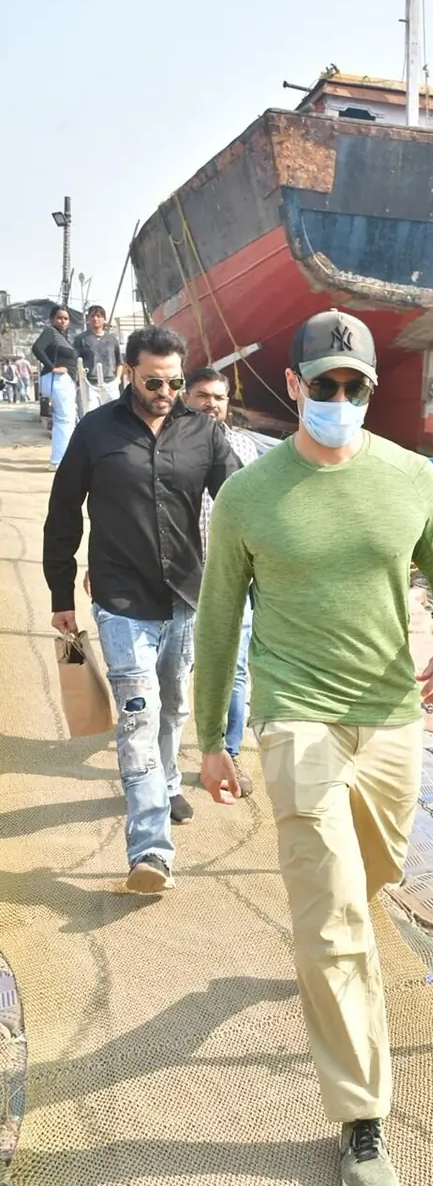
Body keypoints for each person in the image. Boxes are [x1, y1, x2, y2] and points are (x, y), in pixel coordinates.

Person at [193, 309, 433, 1185]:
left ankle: (338, 953)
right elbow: (216, 626)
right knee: (331, 912)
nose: (343, 399)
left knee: (376, 872)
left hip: (393, 716)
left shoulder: (413, 479)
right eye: (326, 385)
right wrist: (212, 736)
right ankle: (363, 1118)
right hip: (296, 715)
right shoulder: (249, 495)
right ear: (294, 387)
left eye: (357, 387)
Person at [43, 326, 242, 894]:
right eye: (154, 381)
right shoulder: (94, 432)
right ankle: (150, 851)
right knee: (137, 716)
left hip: (185, 598)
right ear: (129, 372)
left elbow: (239, 502)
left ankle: (167, 781)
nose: (166, 392)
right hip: (120, 600)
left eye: (176, 382)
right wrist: (61, 595)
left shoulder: (203, 432)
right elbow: (62, 517)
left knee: (173, 708)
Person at [183, 366, 260, 795]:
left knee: (236, 667)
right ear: (185, 397)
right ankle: (161, 757)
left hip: (233, 579)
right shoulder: (170, 446)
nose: (210, 403)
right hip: (181, 580)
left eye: (218, 397)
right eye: (201, 395)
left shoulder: (245, 447)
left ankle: (229, 753)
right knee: (178, 669)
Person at [31, 304, 78, 466]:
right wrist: (52, 367)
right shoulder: (51, 332)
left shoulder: (62, 337)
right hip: (57, 379)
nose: (63, 321)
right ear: (52, 319)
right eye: (59, 318)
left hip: (64, 381)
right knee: (64, 420)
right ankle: (59, 460)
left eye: (66, 318)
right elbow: (37, 348)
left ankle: (60, 458)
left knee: (65, 420)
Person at [74, 305, 123, 410]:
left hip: (110, 383)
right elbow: (76, 362)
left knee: (113, 414)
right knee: (91, 414)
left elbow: (120, 362)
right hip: (89, 384)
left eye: (98, 316)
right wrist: (78, 382)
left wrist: (118, 379)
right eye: (92, 316)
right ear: (88, 319)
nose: (95, 319)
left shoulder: (112, 340)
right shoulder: (81, 339)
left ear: (104, 319)